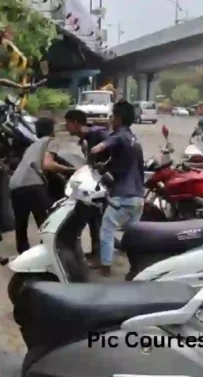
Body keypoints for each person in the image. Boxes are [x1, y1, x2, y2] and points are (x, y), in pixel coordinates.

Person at [88, 100, 145, 276]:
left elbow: (100, 148)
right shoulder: (134, 140)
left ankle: (105, 267)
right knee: (133, 236)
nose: (111, 119)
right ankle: (136, 268)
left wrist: (92, 152)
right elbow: (122, 163)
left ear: (119, 118)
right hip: (138, 196)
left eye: (113, 116)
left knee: (106, 229)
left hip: (123, 195)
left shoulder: (118, 135)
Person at [9, 117, 75, 254]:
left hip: (15, 185)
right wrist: (70, 170)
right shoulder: (51, 141)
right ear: (51, 130)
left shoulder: (33, 145)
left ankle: (24, 258)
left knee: (21, 225)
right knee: (47, 222)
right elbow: (47, 164)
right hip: (32, 184)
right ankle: (49, 255)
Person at [64, 109, 106, 256]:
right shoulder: (86, 138)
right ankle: (96, 252)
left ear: (75, 123)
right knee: (93, 218)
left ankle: (100, 255)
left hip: (105, 182)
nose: (66, 127)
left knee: (96, 218)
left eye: (68, 123)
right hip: (96, 183)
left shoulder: (96, 134)